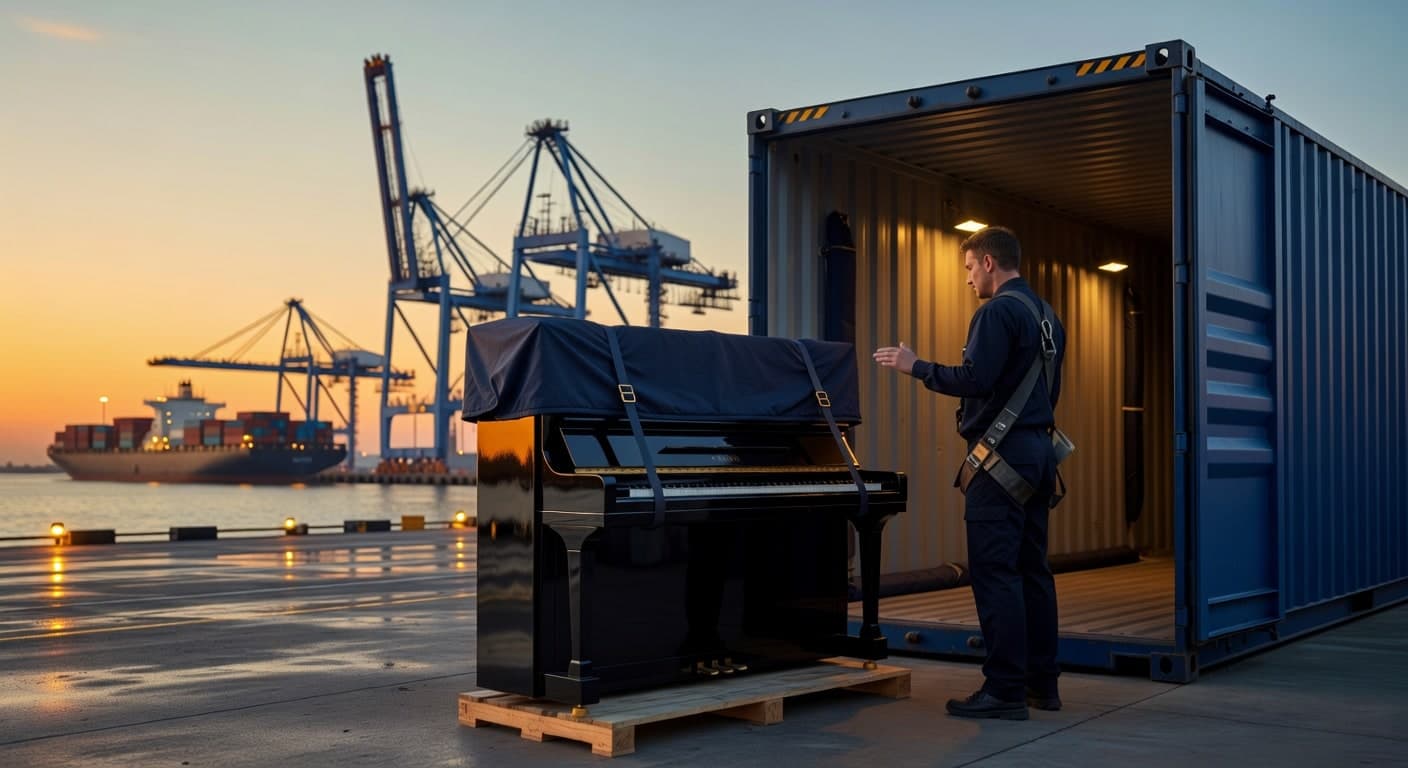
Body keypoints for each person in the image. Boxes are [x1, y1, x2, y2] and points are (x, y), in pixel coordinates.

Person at [873, 225, 1066, 720]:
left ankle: (1003, 690)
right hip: (1038, 454)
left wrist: (915, 366)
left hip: (1000, 459)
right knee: (1033, 571)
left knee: (995, 572)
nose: (966, 280)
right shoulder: (1048, 317)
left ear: (987, 262)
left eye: (967, 268)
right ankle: (1042, 685)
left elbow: (974, 379)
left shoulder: (996, 312)